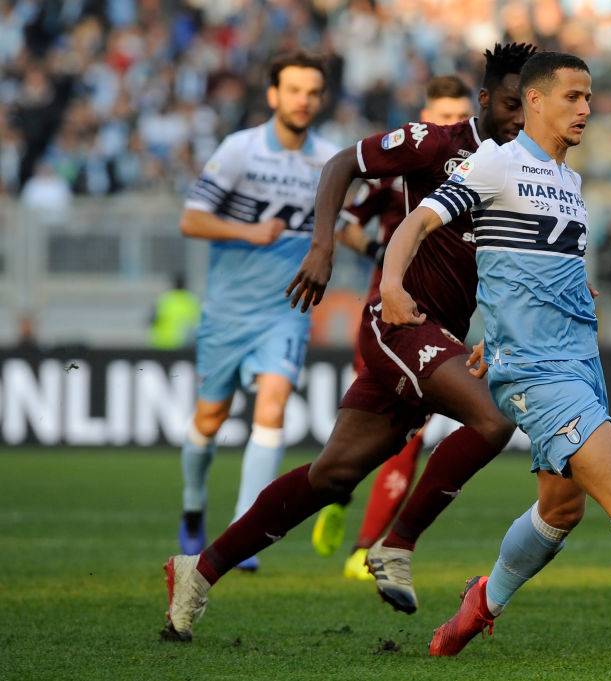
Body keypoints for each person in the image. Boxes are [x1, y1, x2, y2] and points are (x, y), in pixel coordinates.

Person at [160, 43, 537, 643]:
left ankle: (197, 571)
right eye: (515, 104)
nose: (522, 117)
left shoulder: (522, 169)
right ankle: (396, 544)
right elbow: (341, 164)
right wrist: (322, 246)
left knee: (332, 476)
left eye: (532, 106)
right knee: (493, 421)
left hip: (440, 336)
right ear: (487, 99)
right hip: (398, 324)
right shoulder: (436, 143)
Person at [378, 51, 611, 661]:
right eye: (572, 96)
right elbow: (417, 223)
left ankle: (479, 606)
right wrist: (394, 285)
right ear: (535, 102)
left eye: (590, 97)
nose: (586, 108)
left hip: (579, 363)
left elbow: (525, 267)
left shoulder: (570, 182)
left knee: (561, 509)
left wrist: (549, 302)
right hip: (538, 374)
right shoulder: (496, 162)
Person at [174, 51, 339, 572]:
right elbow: (192, 220)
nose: (303, 100)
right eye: (293, 90)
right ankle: (194, 505)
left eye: (312, 92)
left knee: (273, 406)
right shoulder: (239, 150)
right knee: (210, 419)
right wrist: (248, 231)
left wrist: (375, 244)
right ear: (273, 95)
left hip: (286, 310)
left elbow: (340, 226)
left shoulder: (329, 159)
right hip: (227, 311)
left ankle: (241, 531)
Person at [310, 75, 475, 581]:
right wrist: (379, 253)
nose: (448, 123)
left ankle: (368, 544)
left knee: (410, 437)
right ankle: (340, 494)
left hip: (439, 319)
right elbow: (348, 222)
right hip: (389, 316)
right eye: (440, 113)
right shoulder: (399, 168)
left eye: (457, 114)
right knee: (376, 433)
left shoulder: (481, 168)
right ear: (425, 112)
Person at [149, 273, 201, 350]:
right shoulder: (192, 301)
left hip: (161, 345)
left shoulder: (164, 300)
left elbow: (152, 320)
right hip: (184, 347)